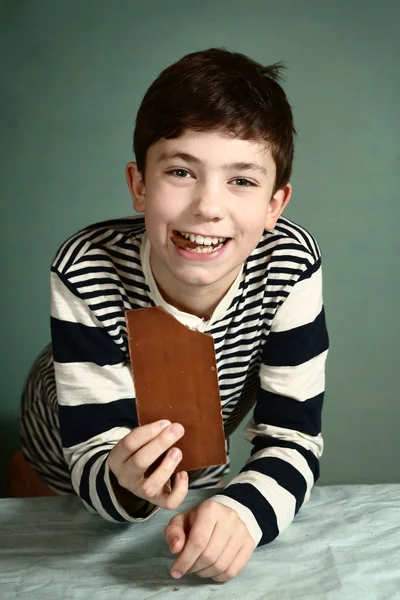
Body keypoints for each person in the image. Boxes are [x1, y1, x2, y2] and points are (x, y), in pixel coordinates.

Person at [20, 47, 329, 583]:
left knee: (194, 506)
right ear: (139, 185)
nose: (208, 206)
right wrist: (120, 478)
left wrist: (242, 513)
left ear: (276, 205)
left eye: (242, 180)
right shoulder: (85, 265)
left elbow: (294, 436)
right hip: (63, 450)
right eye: (182, 171)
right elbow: (91, 452)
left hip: (195, 449)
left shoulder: (291, 264)